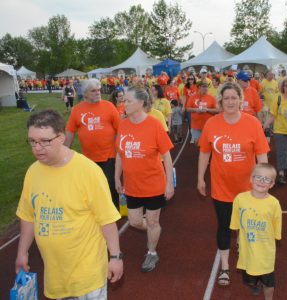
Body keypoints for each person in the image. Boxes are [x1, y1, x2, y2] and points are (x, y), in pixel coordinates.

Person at [15, 110, 123, 299]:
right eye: (32, 141)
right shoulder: (33, 172)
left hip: (87, 277)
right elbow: (27, 216)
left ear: (61, 138)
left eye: (44, 141)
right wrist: (22, 252)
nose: (37, 148)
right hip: (55, 278)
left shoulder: (88, 171)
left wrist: (115, 257)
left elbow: (106, 219)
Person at [197, 82, 269, 286]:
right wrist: (200, 178)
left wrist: (263, 182)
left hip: (248, 188)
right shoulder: (211, 123)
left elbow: (262, 154)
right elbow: (204, 152)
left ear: (241, 100)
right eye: (226, 98)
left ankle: (248, 265)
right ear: (220, 100)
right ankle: (225, 268)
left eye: (233, 98)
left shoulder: (253, 123)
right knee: (224, 227)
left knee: (247, 229)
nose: (230, 102)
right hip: (222, 187)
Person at [115, 86, 174, 272]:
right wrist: (117, 177)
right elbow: (119, 154)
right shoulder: (122, 125)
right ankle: (153, 229)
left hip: (154, 184)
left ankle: (151, 253)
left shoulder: (154, 124)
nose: (125, 104)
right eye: (124, 100)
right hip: (132, 185)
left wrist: (169, 183)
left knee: (152, 221)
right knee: (133, 221)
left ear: (141, 103)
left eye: (129, 101)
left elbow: (167, 155)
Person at [65, 79, 121, 209]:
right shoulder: (77, 110)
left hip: (109, 155)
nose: (98, 93)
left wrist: (120, 152)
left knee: (110, 183)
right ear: (85, 94)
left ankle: (114, 211)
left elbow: (120, 130)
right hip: (89, 158)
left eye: (98, 90)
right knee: (93, 187)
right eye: (93, 91)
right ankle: (98, 210)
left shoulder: (109, 106)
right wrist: (62, 154)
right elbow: (70, 133)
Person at [230, 163, 282, 299]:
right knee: (249, 278)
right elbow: (237, 224)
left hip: (265, 252)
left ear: (271, 184)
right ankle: (254, 284)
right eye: (258, 177)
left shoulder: (274, 203)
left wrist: (273, 243)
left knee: (269, 281)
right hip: (247, 250)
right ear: (251, 179)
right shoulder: (240, 199)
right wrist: (238, 241)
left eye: (266, 179)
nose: (261, 181)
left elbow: (277, 229)